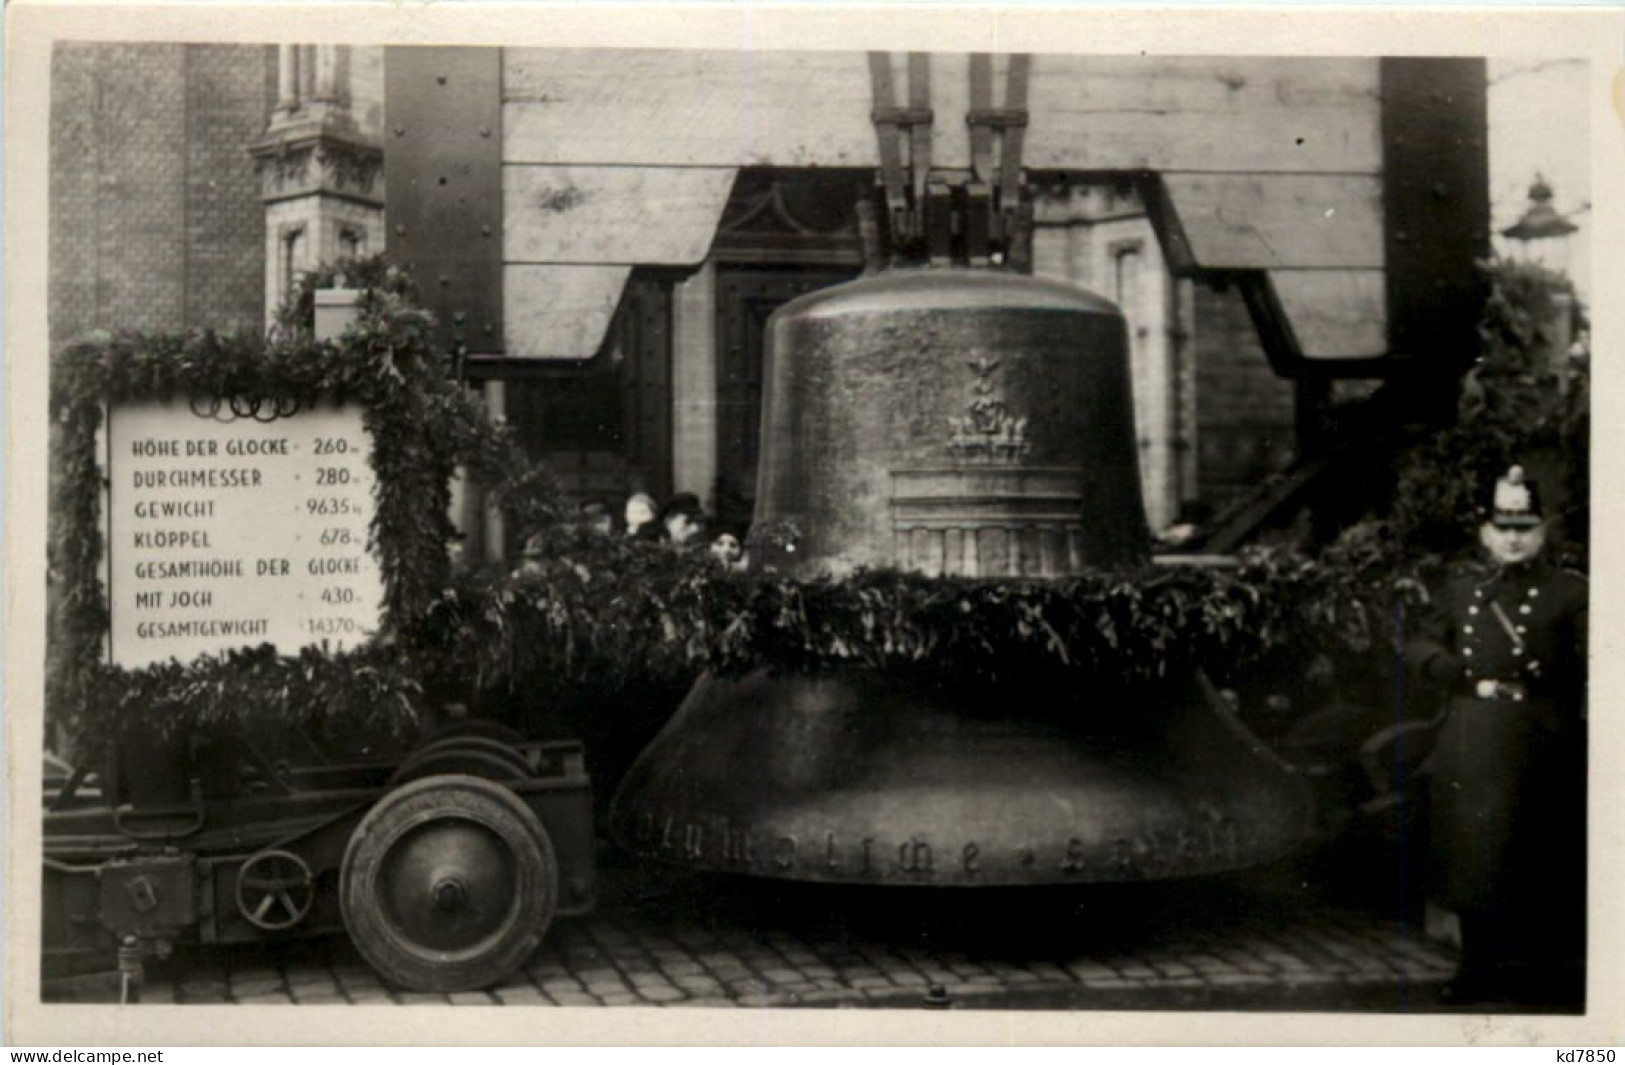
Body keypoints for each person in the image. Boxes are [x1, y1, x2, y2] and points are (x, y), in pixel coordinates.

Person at [1404, 465, 1587, 1006]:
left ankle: (1548, 971)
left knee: (1543, 853)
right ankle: (1477, 967)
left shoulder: (1570, 592)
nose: (1513, 537)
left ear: (1544, 530)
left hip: (1541, 734)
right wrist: (1443, 666)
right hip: (1475, 736)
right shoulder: (1462, 589)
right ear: (1485, 532)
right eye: (1502, 526)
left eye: (1524, 527)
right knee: (1473, 853)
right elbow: (1418, 641)